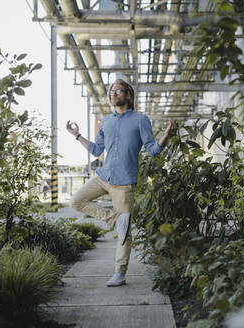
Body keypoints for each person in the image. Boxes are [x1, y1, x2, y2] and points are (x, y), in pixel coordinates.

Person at [66, 79, 174, 287]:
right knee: (76, 201)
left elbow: (152, 150)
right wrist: (77, 135)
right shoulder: (106, 121)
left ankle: (120, 272)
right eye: (111, 91)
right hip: (103, 176)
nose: (113, 94)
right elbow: (97, 150)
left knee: (125, 233)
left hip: (124, 183)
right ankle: (115, 219)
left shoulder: (140, 120)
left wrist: (166, 135)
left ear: (128, 95)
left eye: (118, 90)